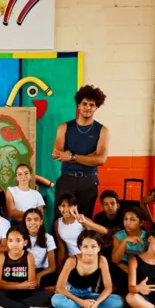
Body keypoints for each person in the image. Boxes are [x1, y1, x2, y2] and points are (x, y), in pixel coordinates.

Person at [51, 85, 110, 218]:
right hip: (67, 177)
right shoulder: (64, 127)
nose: (87, 107)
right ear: (78, 105)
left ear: (96, 107)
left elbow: (101, 159)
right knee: (60, 218)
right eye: (84, 103)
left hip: (89, 179)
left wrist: (72, 157)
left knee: (84, 220)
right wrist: (88, 158)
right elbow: (56, 154)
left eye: (92, 105)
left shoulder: (102, 130)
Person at [51, 230, 123, 308]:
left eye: (93, 246)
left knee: (118, 301)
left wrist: (97, 303)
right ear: (80, 247)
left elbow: (108, 288)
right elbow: (59, 288)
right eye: (85, 246)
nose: (90, 250)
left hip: (88, 294)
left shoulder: (102, 260)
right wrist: (81, 302)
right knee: (56, 300)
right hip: (71, 293)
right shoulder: (72, 260)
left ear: (99, 247)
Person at [0, 227, 53, 308]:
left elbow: (31, 285)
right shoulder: (2, 256)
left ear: (25, 242)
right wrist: (20, 285)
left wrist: (9, 284)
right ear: (7, 242)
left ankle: (8, 307)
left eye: (18, 241)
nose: (14, 244)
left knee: (47, 297)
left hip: (24, 293)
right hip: (7, 292)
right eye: (10, 241)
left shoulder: (29, 256)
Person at [54, 193, 107, 269]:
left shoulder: (81, 219)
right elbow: (61, 247)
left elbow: (104, 231)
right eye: (63, 206)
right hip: (72, 260)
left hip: (88, 257)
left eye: (70, 205)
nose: (66, 209)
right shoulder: (57, 223)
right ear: (59, 207)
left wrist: (84, 222)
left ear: (75, 207)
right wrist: (60, 268)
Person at [22, 208, 57, 292]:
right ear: (25, 222)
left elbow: (52, 267)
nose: (32, 223)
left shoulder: (48, 238)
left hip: (43, 270)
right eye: (29, 220)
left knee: (49, 285)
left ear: (41, 222)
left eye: (36, 219)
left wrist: (38, 275)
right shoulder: (20, 237)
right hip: (25, 270)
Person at [111, 207, 148, 273]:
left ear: (141, 223)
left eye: (132, 220)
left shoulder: (147, 237)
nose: (127, 223)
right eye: (125, 219)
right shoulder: (118, 236)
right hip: (123, 264)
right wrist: (125, 240)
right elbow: (115, 260)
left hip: (141, 265)